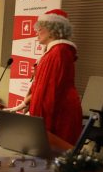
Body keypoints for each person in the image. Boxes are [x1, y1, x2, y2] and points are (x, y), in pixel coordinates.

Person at [8, 9, 82, 145]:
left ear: (52, 30)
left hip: (59, 115)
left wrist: (38, 125)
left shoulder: (57, 53)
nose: (36, 33)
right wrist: (25, 104)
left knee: (56, 152)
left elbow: (48, 92)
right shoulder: (55, 52)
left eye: (40, 29)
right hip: (58, 110)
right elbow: (41, 86)